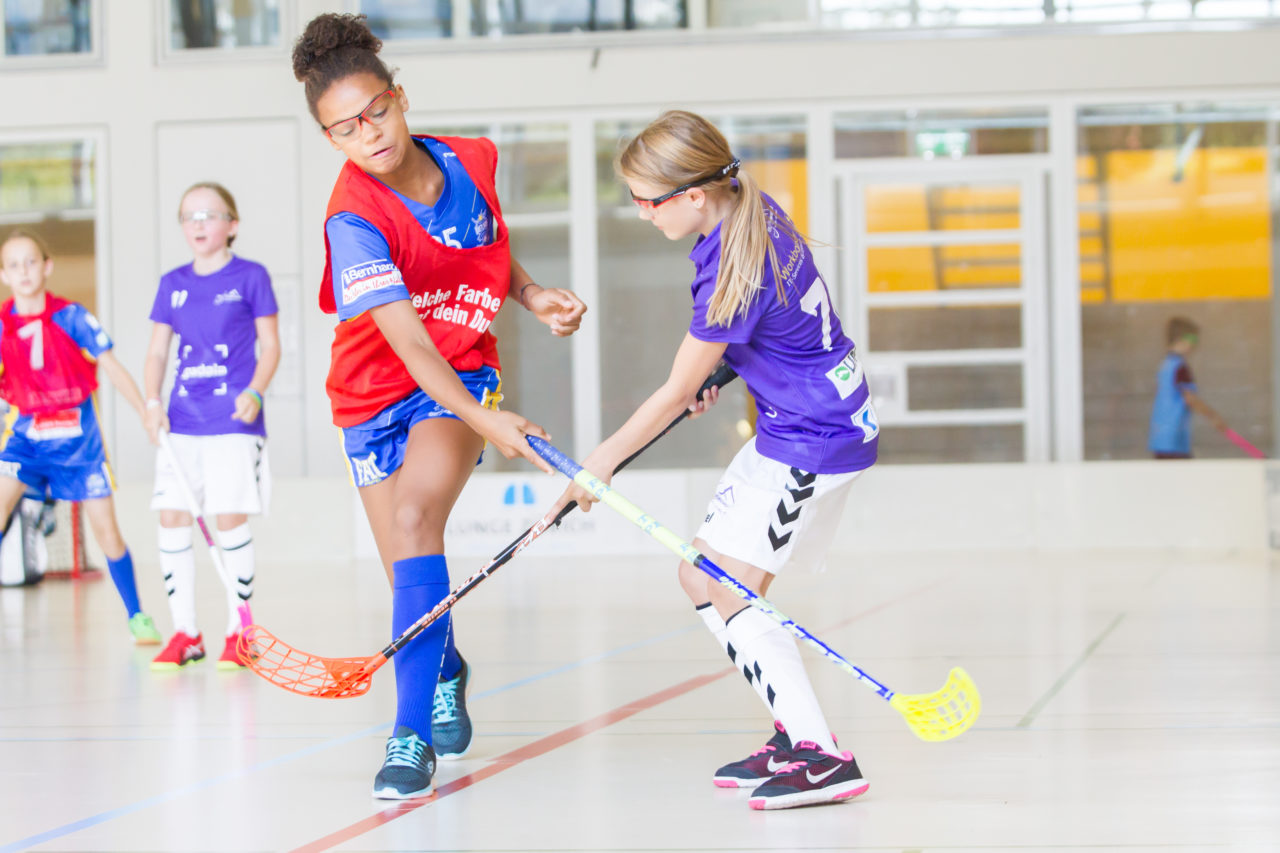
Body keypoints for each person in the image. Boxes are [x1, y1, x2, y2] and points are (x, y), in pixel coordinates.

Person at [292, 13, 587, 799]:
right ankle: (446, 664)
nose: (369, 135)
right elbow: (408, 345)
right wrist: (495, 422)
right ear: (330, 139)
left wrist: (529, 294)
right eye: (344, 128)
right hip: (370, 394)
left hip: (458, 376)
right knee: (408, 573)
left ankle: (409, 736)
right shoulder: (353, 219)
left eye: (377, 112)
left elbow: (480, 240)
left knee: (420, 520)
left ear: (400, 97)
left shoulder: (468, 160)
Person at [547, 110, 877, 811]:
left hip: (815, 436)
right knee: (700, 573)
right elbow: (768, 331)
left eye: (648, 199)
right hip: (794, 421)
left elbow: (672, 391)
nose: (641, 214)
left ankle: (821, 755)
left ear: (695, 194)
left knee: (726, 583)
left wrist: (597, 465)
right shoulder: (751, 214)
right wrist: (724, 374)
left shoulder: (736, 259)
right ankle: (797, 733)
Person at [0, 228, 162, 644]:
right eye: (13, 265)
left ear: (47, 267)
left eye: (31, 261)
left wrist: (146, 409)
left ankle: (137, 615)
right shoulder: (2, 324)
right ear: (4, 275)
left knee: (106, 531)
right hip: (25, 441)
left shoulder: (71, 316)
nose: (23, 271)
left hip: (79, 443)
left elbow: (110, 365)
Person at [142, 182, 280, 671]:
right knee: (172, 518)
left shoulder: (251, 277)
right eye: (188, 216)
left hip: (234, 421)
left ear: (232, 224)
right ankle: (186, 633)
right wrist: (152, 402)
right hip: (181, 422)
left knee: (228, 518)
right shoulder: (172, 283)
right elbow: (158, 351)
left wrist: (256, 390)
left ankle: (239, 633)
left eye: (208, 214)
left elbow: (270, 346)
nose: (197, 224)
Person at [1148, 316, 1226, 460]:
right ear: (1181, 339)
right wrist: (1213, 416)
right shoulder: (1180, 367)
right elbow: (1190, 398)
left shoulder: (1165, 365)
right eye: (1193, 340)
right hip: (1174, 439)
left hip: (1160, 438)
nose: (1195, 345)